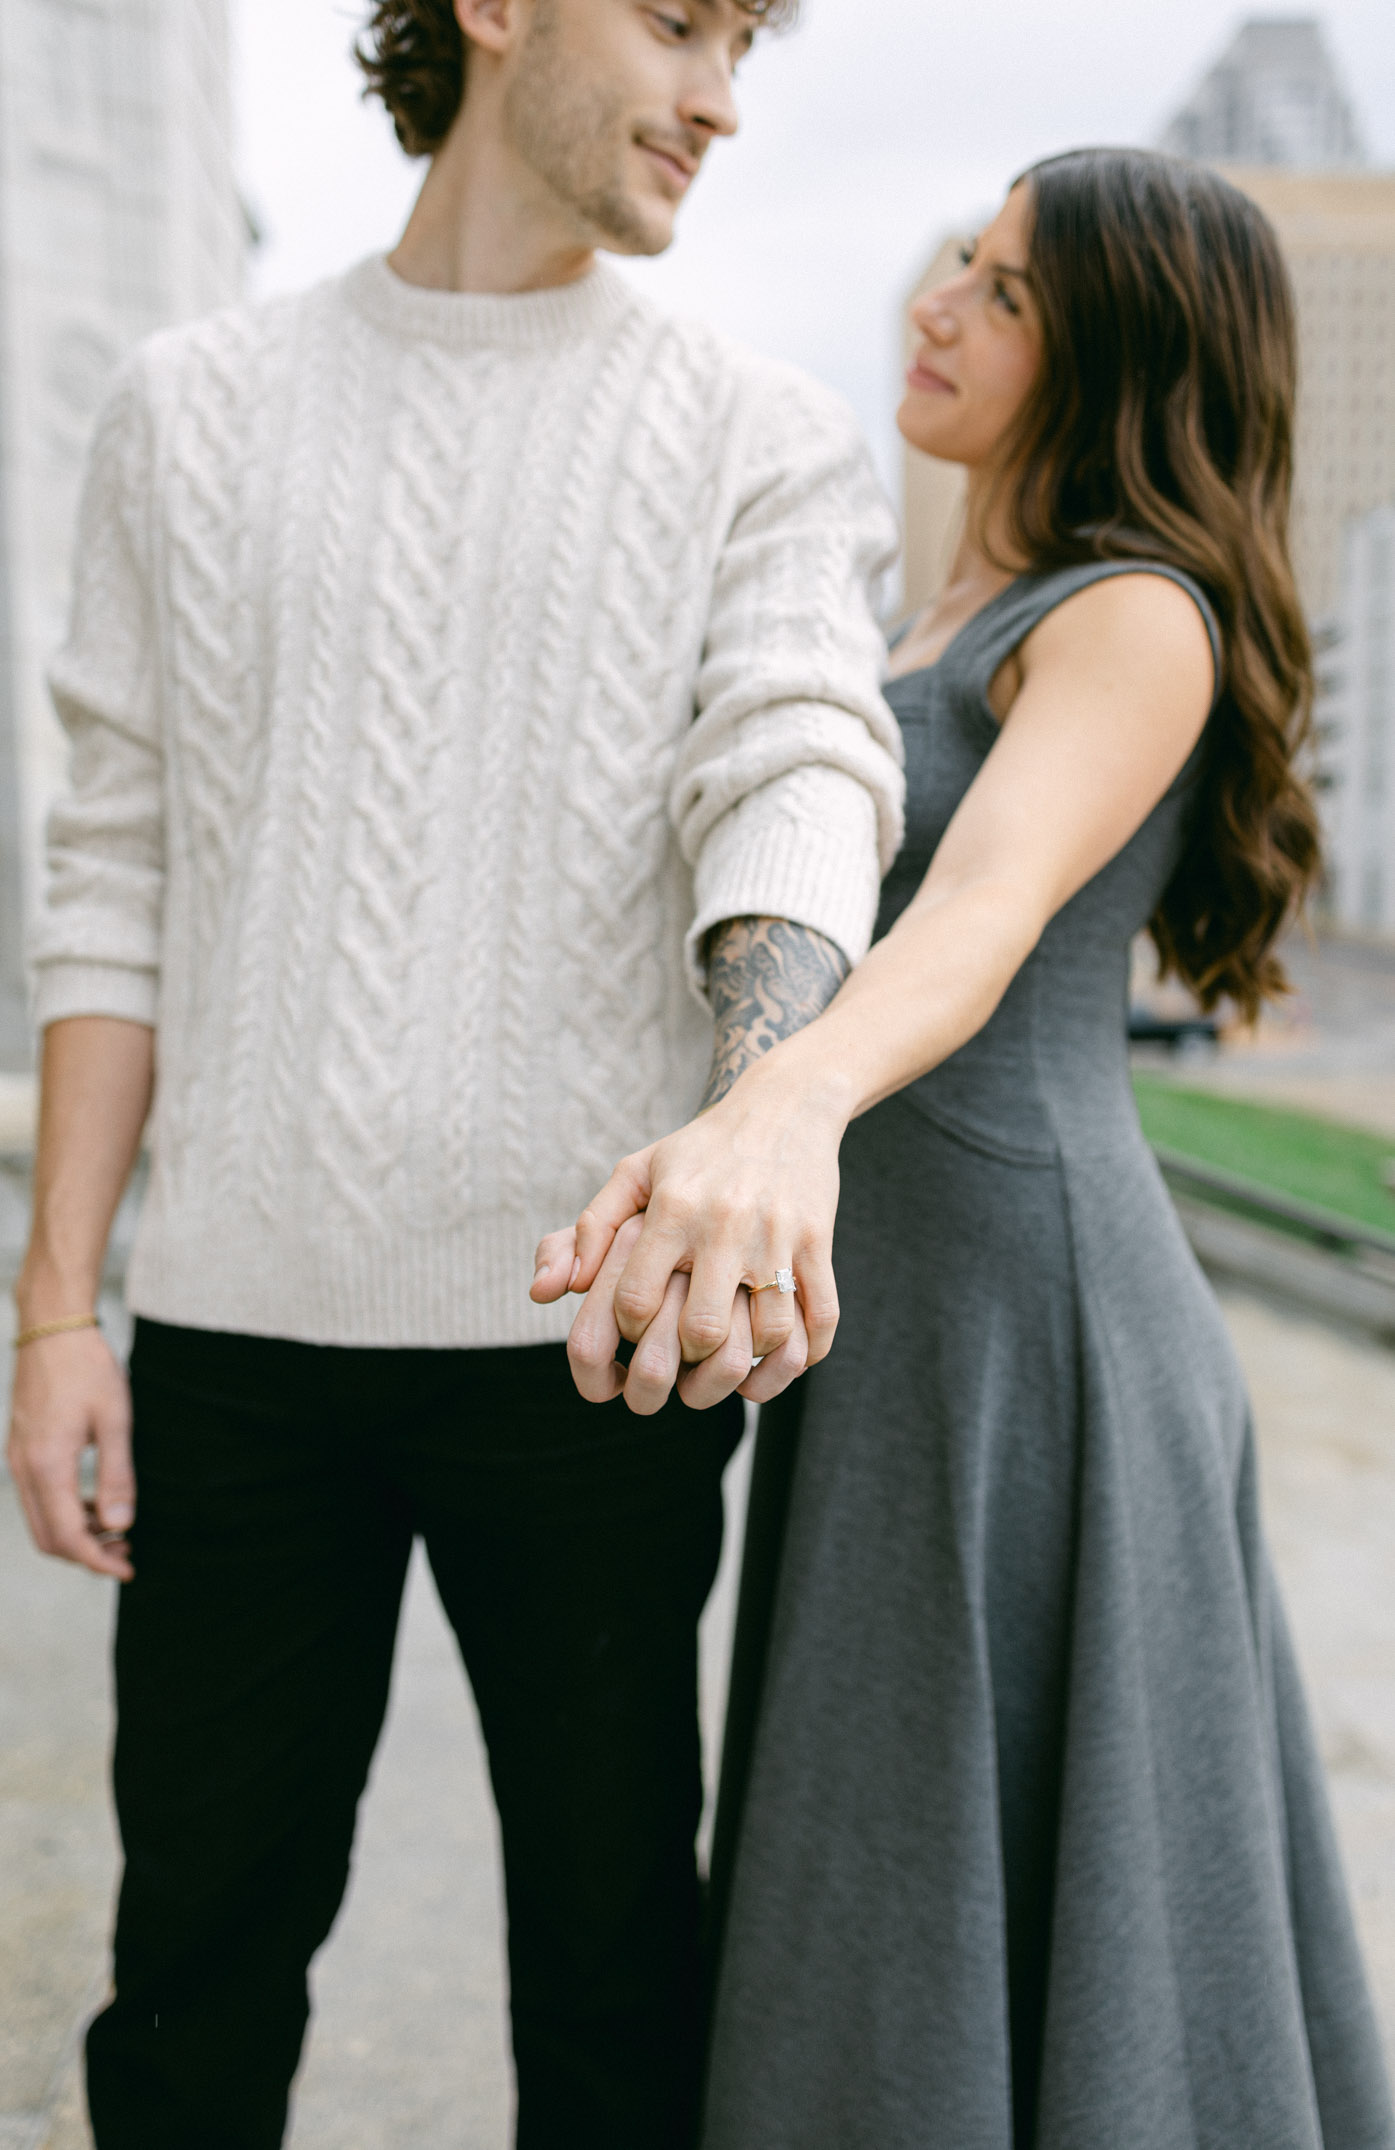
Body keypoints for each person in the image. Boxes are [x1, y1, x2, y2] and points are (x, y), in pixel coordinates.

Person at [4, 2, 907, 2144]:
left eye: (744, 43)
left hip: (586, 1348)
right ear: (492, 6)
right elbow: (110, 869)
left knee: (614, 1993)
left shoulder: (753, 432)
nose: (721, 95)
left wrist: (764, 1099)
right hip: (232, 1331)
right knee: (190, 1991)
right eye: (679, 21)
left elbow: (797, 757)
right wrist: (58, 1306)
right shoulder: (185, 407)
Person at [535, 150, 1395, 2146]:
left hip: (1028, 1331)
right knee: (879, 1859)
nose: (937, 303)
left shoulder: (1131, 617)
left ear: (1109, 355)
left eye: (1004, 294)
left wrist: (777, 1105)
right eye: (961, 265)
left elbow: (978, 920)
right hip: (892, 1318)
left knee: (964, 1866)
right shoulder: (911, 602)